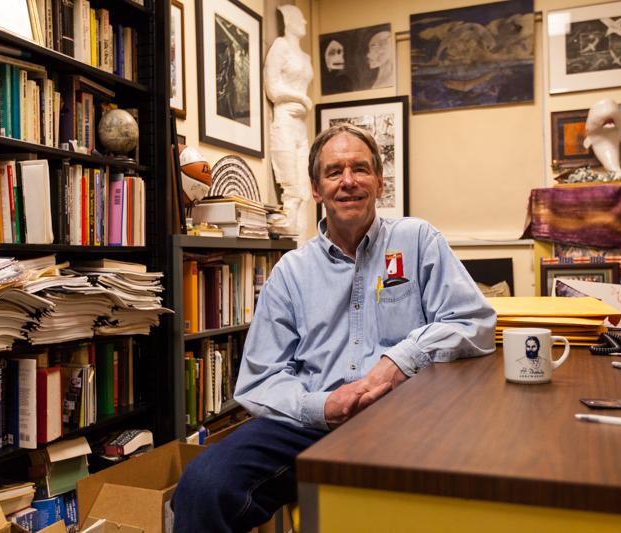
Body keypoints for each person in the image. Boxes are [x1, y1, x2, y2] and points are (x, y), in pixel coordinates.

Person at [171, 123, 497, 532]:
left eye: (360, 169)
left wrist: (399, 360)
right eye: (334, 171)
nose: (348, 181)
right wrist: (322, 406)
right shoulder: (290, 272)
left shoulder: (418, 241)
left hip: (410, 422)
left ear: (379, 182)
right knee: (203, 485)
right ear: (315, 188)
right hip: (312, 428)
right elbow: (259, 380)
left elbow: (474, 321)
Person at [264, 5, 313, 238]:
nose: (304, 23)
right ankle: (289, 237)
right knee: (291, 189)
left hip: (301, 125)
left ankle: (302, 247)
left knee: (305, 191)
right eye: (300, 19)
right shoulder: (280, 47)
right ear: (289, 20)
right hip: (284, 117)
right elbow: (273, 88)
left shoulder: (305, 56)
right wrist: (300, 97)